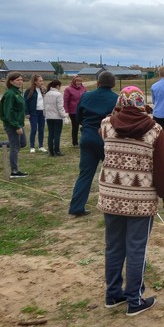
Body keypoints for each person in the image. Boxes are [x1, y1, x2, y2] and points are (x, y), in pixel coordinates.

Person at [97, 86, 164, 317]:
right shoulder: (155, 131)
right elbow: (162, 171)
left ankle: (113, 294)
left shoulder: (106, 125)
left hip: (111, 196)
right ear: (142, 103)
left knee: (113, 246)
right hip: (140, 201)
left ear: (121, 102)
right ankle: (134, 299)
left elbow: (104, 137)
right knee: (136, 249)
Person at [68, 70, 118, 217]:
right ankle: (115, 205)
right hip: (106, 139)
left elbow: (78, 117)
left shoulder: (86, 96)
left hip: (88, 137)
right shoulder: (117, 99)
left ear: (98, 83)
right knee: (112, 172)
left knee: (85, 174)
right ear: (114, 84)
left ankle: (76, 207)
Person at [0, 71, 28, 178]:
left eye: (21, 80)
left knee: (23, 143)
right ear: (11, 81)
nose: (20, 82)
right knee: (15, 147)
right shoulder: (10, 94)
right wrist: (16, 126)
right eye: (17, 80)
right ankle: (14, 171)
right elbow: (8, 112)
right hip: (12, 125)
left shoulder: (17, 92)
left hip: (19, 123)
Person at [43, 79, 68, 157]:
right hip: (57, 117)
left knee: (50, 134)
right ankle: (57, 150)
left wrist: (45, 115)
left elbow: (44, 106)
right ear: (58, 86)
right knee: (57, 135)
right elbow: (60, 107)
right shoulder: (58, 94)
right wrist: (65, 115)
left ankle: (50, 151)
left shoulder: (47, 94)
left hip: (49, 117)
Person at [24, 74, 46, 153]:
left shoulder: (43, 90)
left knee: (41, 129)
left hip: (42, 112)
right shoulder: (29, 91)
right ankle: (32, 146)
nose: (42, 82)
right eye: (40, 81)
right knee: (34, 129)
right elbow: (25, 102)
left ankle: (41, 146)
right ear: (35, 82)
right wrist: (26, 113)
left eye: (42, 80)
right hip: (33, 113)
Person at [63, 76, 87, 147]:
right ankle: (75, 142)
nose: (79, 83)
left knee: (86, 125)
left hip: (83, 110)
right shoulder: (68, 89)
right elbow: (66, 101)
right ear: (74, 81)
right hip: (73, 111)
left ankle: (85, 140)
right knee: (75, 126)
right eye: (77, 81)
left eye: (80, 81)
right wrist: (66, 111)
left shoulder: (84, 89)